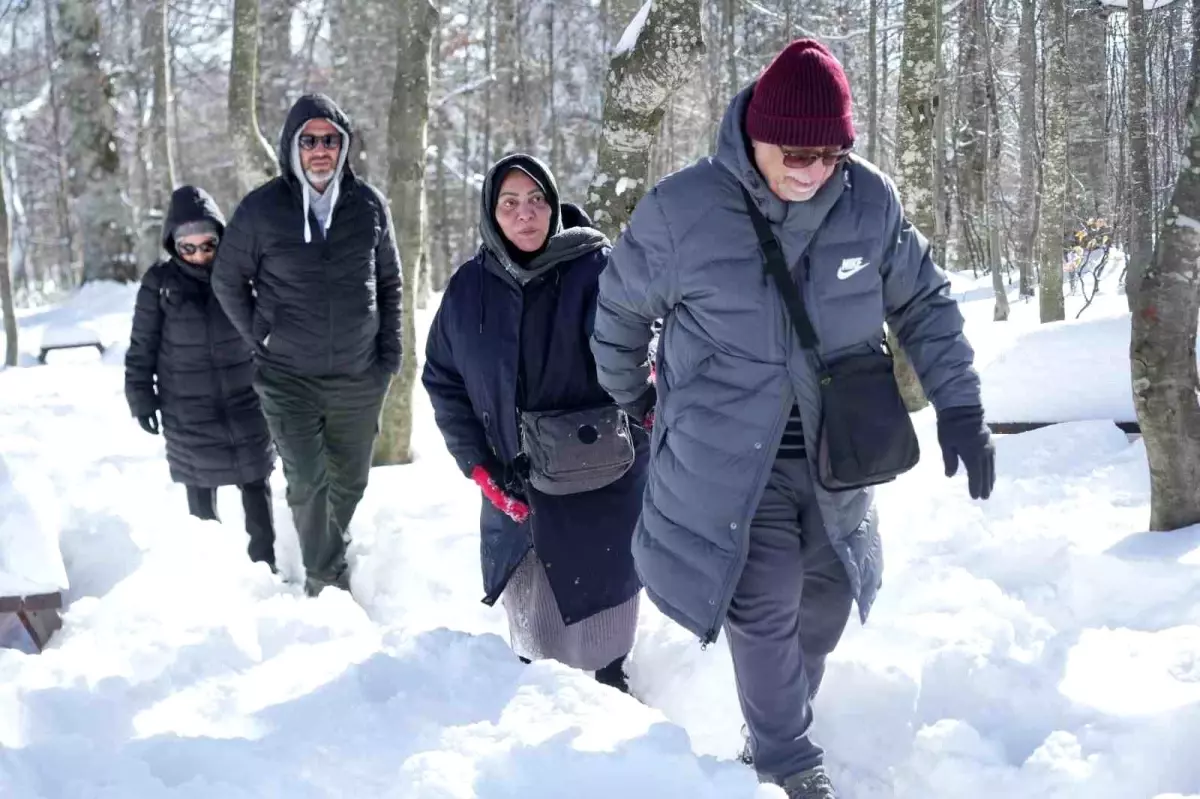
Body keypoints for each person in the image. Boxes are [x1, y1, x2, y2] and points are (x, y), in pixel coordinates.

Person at [589, 40, 995, 797]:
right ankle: (787, 762)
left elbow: (925, 302)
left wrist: (961, 404)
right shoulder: (685, 209)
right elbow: (617, 312)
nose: (814, 171)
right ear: (755, 137)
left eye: (831, 155)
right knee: (764, 596)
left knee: (826, 598)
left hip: (838, 454)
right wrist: (633, 397)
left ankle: (774, 730)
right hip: (727, 461)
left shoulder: (869, 202)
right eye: (797, 154)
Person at [423, 154, 648, 692]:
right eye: (510, 203)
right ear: (491, 213)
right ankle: (537, 720)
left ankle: (614, 703)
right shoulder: (468, 289)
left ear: (553, 205)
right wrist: (477, 466)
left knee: (603, 626)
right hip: (512, 487)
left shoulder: (596, 269)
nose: (526, 215)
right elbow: (443, 378)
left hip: (601, 480)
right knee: (534, 637)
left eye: (537, 201)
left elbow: (639, 349)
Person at [211, 94, 402, 597]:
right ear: (292, 146)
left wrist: (390, 357)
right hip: (287, 376)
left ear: (344, 146)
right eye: (310, 140)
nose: (321, 150)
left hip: (360, 375)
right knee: (308, 480)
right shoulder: (260, 210)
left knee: (350, 481)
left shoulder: (369, 205)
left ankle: (322, 548)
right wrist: (260, 334)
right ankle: (326, 580)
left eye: (330, 140)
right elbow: (228, 279)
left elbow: (390, 283)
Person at [125, 185, 277, 569]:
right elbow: (141, 347)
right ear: (173, 245)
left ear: (220, 238)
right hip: (187, 408)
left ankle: (266, 565)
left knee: (256, 480)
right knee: (200, 488)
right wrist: (141, 398)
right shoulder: (159, 285)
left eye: (207, 245)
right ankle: (212, 572)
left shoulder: (242, 276)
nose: (198, 255)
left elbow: (271, 330)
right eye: (187, 248)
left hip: (245, 400)